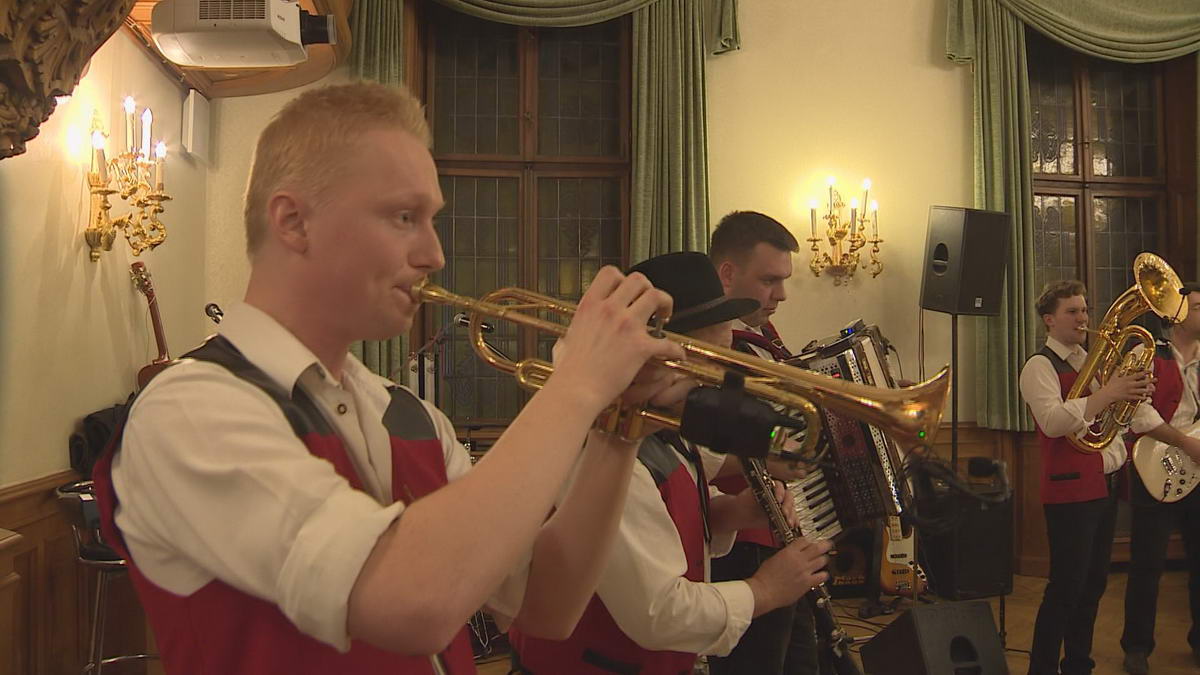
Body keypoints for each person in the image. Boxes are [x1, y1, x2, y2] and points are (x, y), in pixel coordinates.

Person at [90, 82, 690, 675]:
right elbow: (412, 602)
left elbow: (549, 603)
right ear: (294, 222)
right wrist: (577, 385)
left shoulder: (410, 413)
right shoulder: (190, 409)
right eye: (405, 217)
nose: (435, 255)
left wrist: (616, 426)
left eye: (432, 220)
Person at [506, 251, 832, 674]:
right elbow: (658, 612)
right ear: (661, 355)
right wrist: (765, 590)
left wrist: (732, 513)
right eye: (713, 361)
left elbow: (666, 516)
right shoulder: (605, 446)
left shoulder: (666, 420)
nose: (723, 379)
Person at [701, 210, 819, 675]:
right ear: (728, 274)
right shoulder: (706, 344)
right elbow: (696, 447)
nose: (781, 294)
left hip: (778, 527)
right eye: (769, 280)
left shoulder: (761, 339)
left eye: (783, 280)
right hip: (738, 543)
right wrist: (770, 455)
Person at [1019, 280, 1155, 675]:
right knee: (1066, 587)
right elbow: (1052, 421)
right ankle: (1042, 668)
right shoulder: (1039, 365)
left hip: (1105, 483)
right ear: (1049, 319)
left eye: (1084, 310)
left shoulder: (1090, 361)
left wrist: (1132, 394)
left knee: (1093, 585)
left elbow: (1108, 419)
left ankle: (1079, 664)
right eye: (1072, 311)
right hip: (1069, 488)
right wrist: (1109, 393)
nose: (1083, 318)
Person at [1122, 283, 1200, 675]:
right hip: (1156, 466)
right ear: (1178, 313)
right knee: (1147, 564)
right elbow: (1138, 415)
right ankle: (1137, 647)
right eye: (1199, 306)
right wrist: (1185, 443)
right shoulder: (1146, 352)